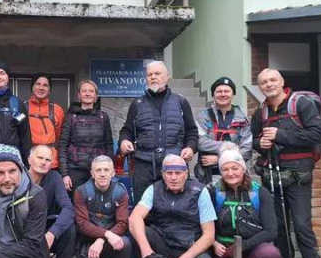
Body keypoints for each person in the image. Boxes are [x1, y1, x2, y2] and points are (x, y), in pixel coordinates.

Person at [250, 68, 321, 258]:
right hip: (272, 176)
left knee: (303, 228)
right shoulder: (259, 113)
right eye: (263, 82)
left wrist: (281, 135)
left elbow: (319, 133)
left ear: (282, 82)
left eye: (272, 80)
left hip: (297, 178)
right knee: (279, 229)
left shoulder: (301, 104)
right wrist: (260, 144)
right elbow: (255, 141)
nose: (268, 85)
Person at [209, 143, 283, 258]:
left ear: (243, 169)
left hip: (252, 251)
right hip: (224, 251)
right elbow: (204, 224)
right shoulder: (214, 192)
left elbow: (271, 231)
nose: (230, 173)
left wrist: (241, 247)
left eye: (235, 168)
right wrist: (213, 243)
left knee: (271, 254)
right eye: (225, 169)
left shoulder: (259, 192)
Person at [128, 154, 217, 258]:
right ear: (163, 174)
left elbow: (209, 235)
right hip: (163, 242)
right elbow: (134, 218)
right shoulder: (154, 189)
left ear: (186, 174)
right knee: (139, 230)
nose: (173, 177)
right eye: (169, 173)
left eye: (178, 173)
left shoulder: (200, 191)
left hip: (190, 245)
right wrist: (146, 252)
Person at [119, 61, 199, 204]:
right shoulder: (137, 104)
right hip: (143, 165)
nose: (153, 77)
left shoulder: (181, 102)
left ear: (167, 77)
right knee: (143, 207)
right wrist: (124, 141)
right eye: (149, 75)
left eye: (157, 73)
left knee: (175, 206)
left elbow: (192, 131)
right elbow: (127, 130)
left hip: (173, 165)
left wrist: (190, 147)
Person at [74, 155, 133, 258]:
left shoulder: (120, 192)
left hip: (110, 243)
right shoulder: (81, 191)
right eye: (98, 170)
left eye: (106, 170)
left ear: (113, 173)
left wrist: (101, 240)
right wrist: (106, 234)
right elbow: (82, 224)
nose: (102, 173)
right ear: (92, 173)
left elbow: (123, 223)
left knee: (125, 242)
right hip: (88, 244)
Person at [27, 145, 75, 258]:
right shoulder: (18, 177)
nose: (43, 162)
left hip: (47, 228)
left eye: (47, 159)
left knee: (69, 229)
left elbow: (68, 208)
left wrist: (53, 232)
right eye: (40, 158)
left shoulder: (54, 178)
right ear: (29, 159)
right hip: (24, 230)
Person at [59, 79, 113, 193]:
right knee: (77, 206)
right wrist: (64, 174)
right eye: (84, 91)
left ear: (95, 96)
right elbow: (63, 145)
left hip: (98, 170)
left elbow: (108, 144)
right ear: (79, 95)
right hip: (75, 170)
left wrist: (109, 169)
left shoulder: (104, 117)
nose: (87, 93)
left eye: (91, 91)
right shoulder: (70, 117)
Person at [195, 77, 252, 184]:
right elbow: (200, 142)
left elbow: (247, 148)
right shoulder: (203, 116)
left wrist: (222, 159)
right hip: (209, 174)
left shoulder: (243, 118)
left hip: (236, 174)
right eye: (219, 91)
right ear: (213, 95)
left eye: (227, 91)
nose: (223, 94)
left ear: (233, 94)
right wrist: (225, 146)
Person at [25, 74, 65, 170]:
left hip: (51, 163)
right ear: (32, 87)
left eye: (45, 85)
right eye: (38, 84)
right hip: (28, 162)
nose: (41, 88)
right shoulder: (22, 108)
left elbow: (61, 138)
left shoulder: (57, 110)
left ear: (49, 89)